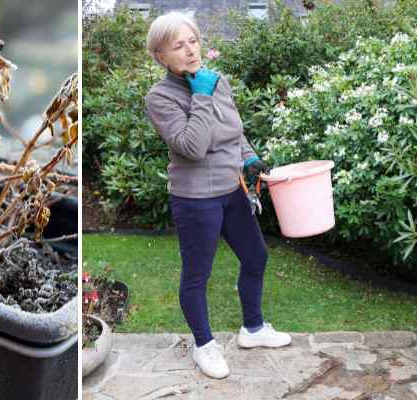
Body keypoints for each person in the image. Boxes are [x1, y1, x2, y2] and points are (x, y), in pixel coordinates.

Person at [144, 12, 291, 379]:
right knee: (197, 273)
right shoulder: (160, 98)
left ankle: (253, 329)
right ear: (161, 56)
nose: (190, 50)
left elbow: (233, 130)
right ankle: (204, 345)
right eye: (178, 45)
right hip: (195, 199)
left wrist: (250, 158)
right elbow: (193, 146)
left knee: (256, 256)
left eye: (192, 40)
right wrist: (201, 96)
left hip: (232, 189)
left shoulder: (214, 80)